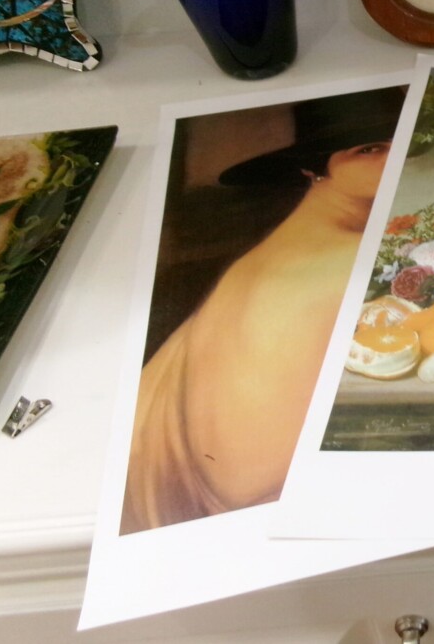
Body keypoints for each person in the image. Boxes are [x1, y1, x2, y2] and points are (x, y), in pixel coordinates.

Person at [121, 90, 402, 534]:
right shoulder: (349, 260)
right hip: (256, 512)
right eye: (369, 150)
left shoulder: (300, 237)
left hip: (214, 488)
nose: (394, 159)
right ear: (313, 167)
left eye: (401, 145)